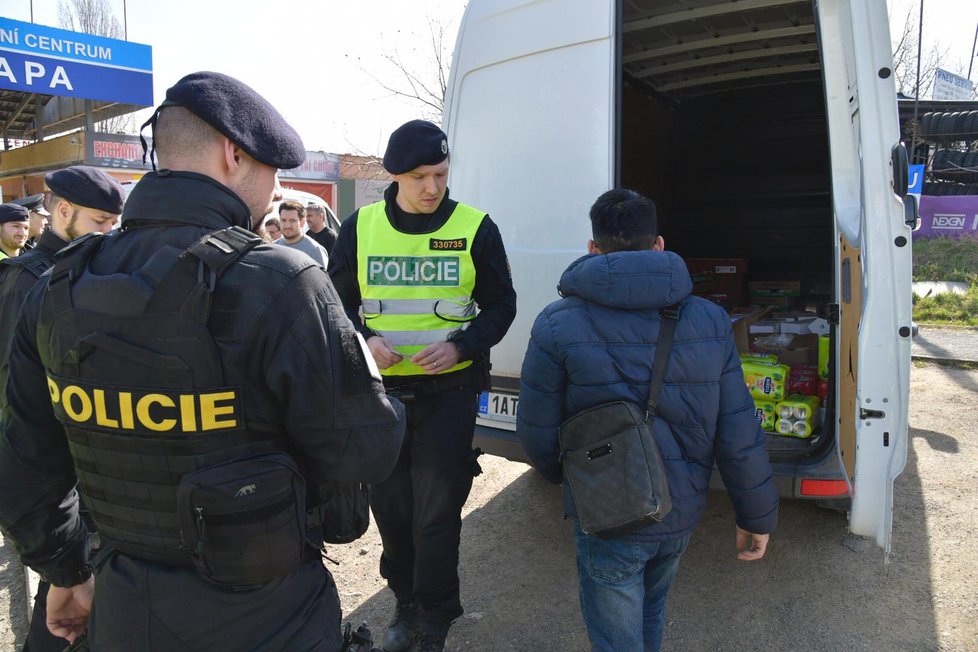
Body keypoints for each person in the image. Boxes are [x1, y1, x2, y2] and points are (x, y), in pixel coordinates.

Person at [0, 71, 406, 651]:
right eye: (271, 168)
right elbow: (365, 449)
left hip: (125, 607)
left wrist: (66, 571)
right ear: (232, 153)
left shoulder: (60, 284)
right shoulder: (281, 282)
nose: (275, 188)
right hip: (271, 616)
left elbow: (24, 469)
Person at [516, 188, 778, 652]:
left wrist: (571, 479)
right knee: (652, 609)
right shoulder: (710, 321)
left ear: (593, 248)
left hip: (607, 509)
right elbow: (738, 431)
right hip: (679, 507)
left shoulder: (557, 322)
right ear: (658, 245)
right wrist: (756, 514)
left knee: (617, 637)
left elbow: (537, 431)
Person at [328, 119, 517, 652]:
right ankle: (405, 600)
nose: (432, 187)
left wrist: (461, 345)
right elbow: (333, 306)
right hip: (380, 396)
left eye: (439, 173)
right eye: (418, 177)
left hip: (449, 395)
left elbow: (503, 305)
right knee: (392, 511)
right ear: (393, 175)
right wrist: (365, 340)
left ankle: (434, 615)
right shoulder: (359, 228)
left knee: (436, 512)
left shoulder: (475, 226)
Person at [0, 167, 123, 652]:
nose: (109, 235)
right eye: (99, 222)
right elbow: (16, 394)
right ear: (63, 211)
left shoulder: (90, 272)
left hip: (92, 461)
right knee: (63, 607)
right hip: (52, 468)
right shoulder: (28, 280)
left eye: (115, 224)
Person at [275, 199, 330, 266]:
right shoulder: (273, 247)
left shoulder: (314, 250)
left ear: (302, 222)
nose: (287, 226)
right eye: (283, 220)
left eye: (292, 221)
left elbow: (322, 276)